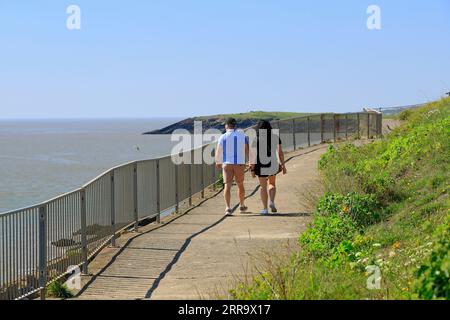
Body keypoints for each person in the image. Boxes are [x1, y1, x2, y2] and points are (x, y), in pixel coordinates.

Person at [250, 120, 287, 215]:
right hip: (272, 163)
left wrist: (252, 169)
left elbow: (253, 155)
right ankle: (272, 202)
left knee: (263, 187)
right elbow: (280, 152)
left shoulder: (256, 139)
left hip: (260, 164)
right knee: (272, 184)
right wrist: (283, 165)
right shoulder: (275, 137)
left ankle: (265, 209)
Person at [215, 117, 249, 215]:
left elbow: (219, 151)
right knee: (240, 185)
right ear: (235, 125)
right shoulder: (242, 135)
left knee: (227, 186)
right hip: (239, 163)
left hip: (227, 164)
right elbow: (246, 150)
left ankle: (228, 208)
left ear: (226, 125)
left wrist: (217, 161)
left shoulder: (222, 137)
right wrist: (250, 161)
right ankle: (242, 206)